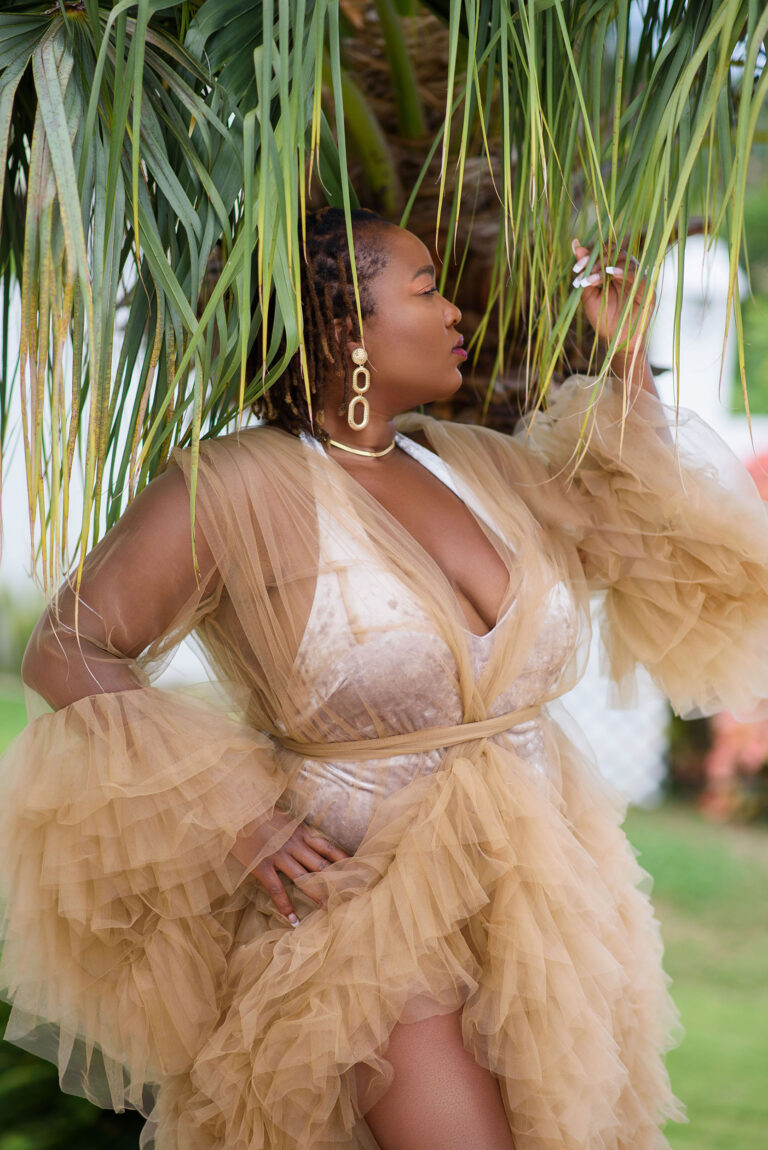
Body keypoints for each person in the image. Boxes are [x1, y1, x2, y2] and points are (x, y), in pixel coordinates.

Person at [3, 206, 768, 1150]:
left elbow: (651, 541)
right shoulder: (234, 485)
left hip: (542, 888)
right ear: (340, 330)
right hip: (362, 905)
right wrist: (234, 814)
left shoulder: (474, 465)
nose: (457, 312)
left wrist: (623, 357)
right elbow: (67, 647)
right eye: (425, 288)